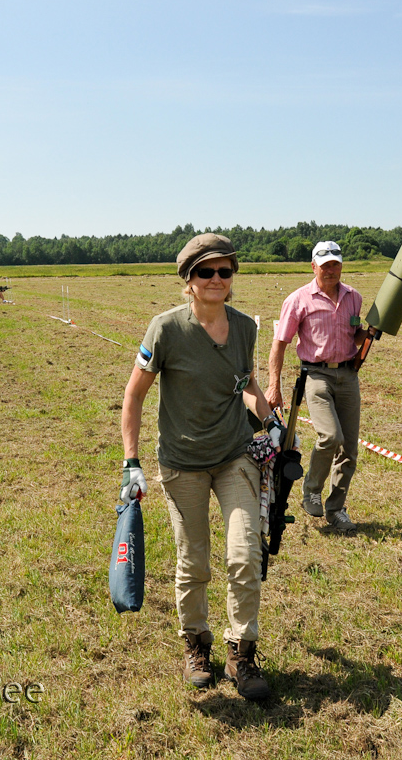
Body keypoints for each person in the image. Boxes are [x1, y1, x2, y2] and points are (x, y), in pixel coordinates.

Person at [121, 233, 284, 701]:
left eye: (225, 271)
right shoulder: (165, 330)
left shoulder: (244, 327)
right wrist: (131, 462)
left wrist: (269, 422)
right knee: (193, 562)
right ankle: (196, 644)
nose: (216, 279)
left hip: (234, 456)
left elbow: (247, 382)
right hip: (182, 463)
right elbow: (133, 396)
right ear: (188, 281)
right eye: (205, 272)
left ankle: (242, 652)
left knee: (244, 554)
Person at [265, 240, 367, 535]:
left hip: (348, 376)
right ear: (314, 267)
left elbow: (355, 335)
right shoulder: (298, 300)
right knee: (330, 436)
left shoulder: (353, 297)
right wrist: (275, 386)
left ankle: (336, 510)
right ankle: (311, 488)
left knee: (349, 450)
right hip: (316, 376)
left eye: (335, 264)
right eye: (325, 266)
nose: (331, 270)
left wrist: (369, 331)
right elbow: (280, 344)